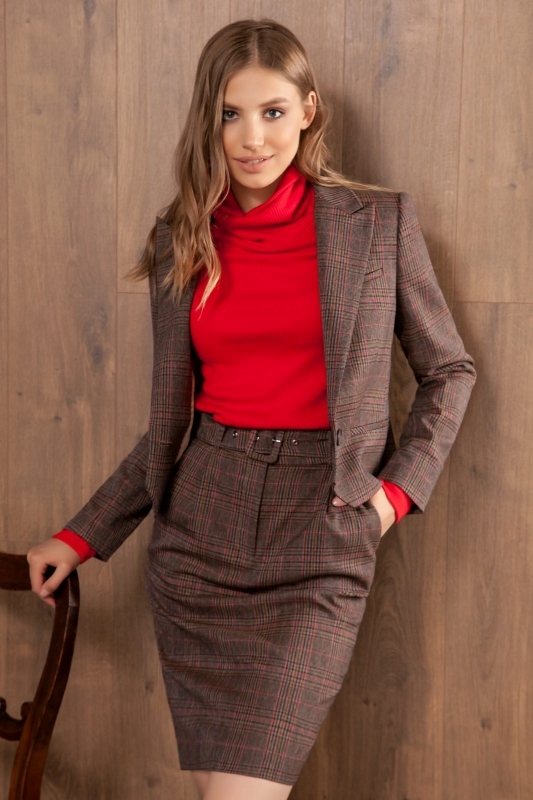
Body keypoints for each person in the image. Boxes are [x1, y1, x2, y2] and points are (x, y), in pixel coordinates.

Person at [26, 18, 476, 800]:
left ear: (308, 112)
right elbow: (170, 425)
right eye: (230, 114)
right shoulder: (179, 239)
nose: (251, 138)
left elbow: (449, 370)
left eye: (272, 111)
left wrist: (389, 501)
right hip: (200, 532)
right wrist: (80, 535)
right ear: (209, 120)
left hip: (321, 530)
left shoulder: (378, 226)